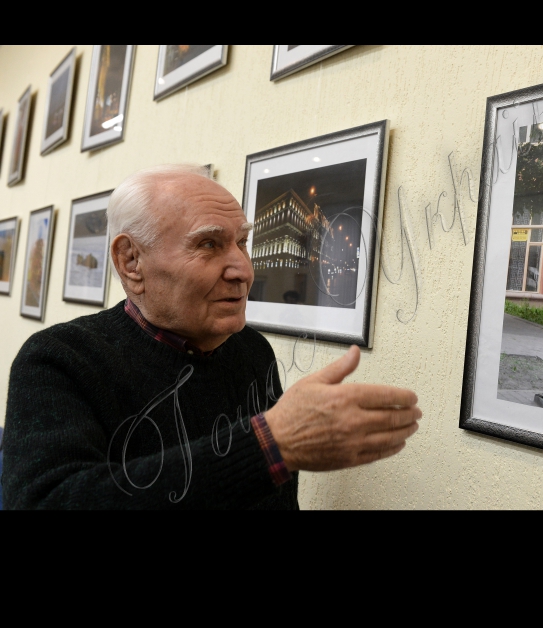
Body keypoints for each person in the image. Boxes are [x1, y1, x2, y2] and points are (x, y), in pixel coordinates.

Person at [1, 166, 422, 510]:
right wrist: (267, 444)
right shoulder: (59, 361)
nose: (243, 269)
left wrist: (276, 447)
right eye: (208, 244)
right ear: (131, 261)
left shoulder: (254, 353)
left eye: (242, 242)